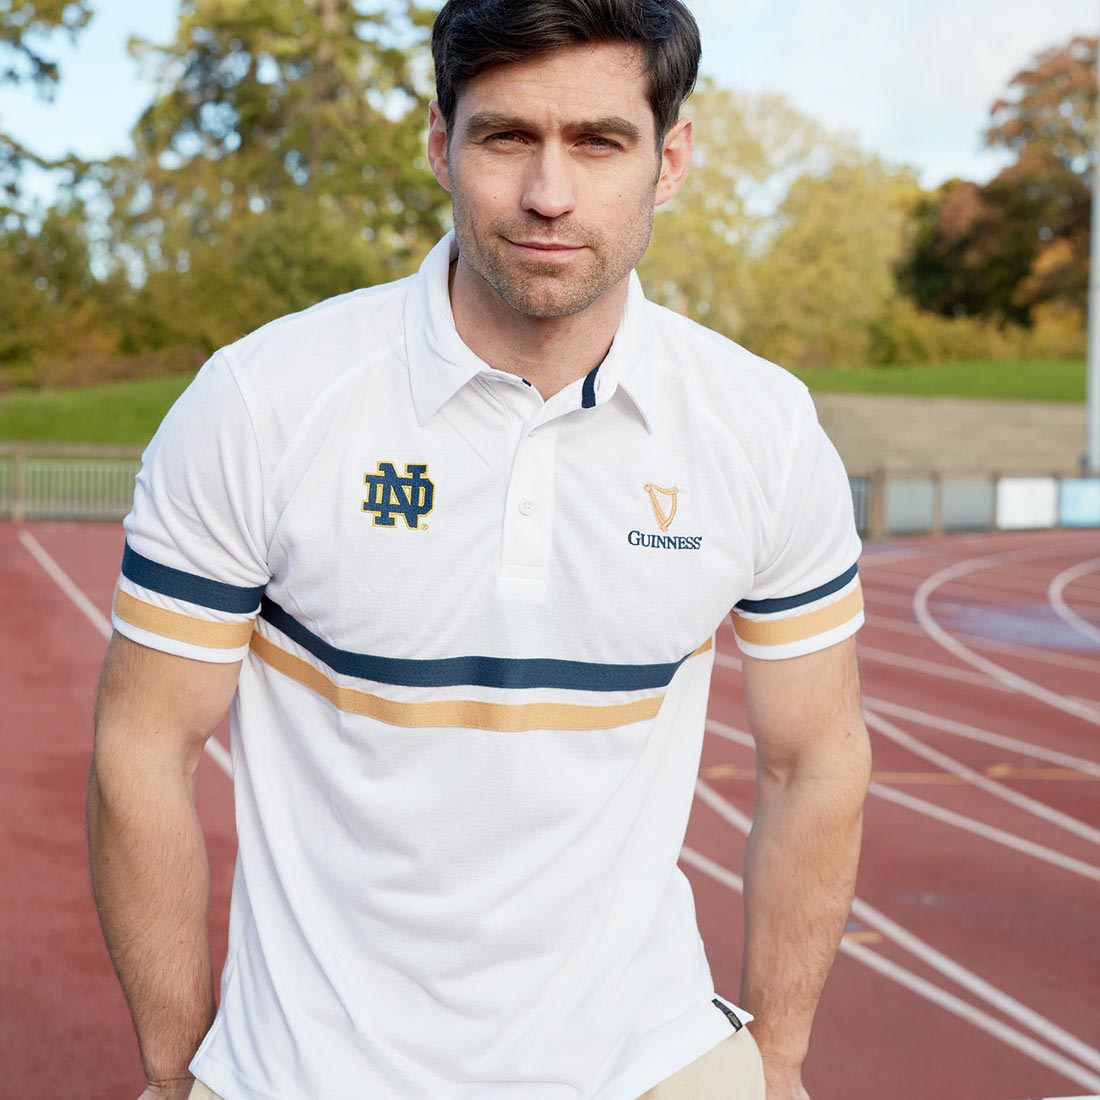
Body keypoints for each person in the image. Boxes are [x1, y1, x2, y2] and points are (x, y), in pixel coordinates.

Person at [87, 1, 872, 1098]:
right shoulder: (261, 403)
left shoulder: (761, 427)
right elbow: (142, 747)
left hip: (645, 1059)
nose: (548, 192)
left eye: (598, 141)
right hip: (309, 1073)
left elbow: (813, 758)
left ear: (670, 157)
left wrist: (774, 1058)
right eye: (506, 136)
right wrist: (177, 1071)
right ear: (437, 143)